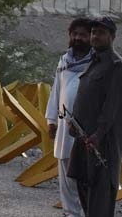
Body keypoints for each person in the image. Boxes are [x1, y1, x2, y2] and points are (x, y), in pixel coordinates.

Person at [68, 16, 122, 217]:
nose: (95, 36)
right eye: (93, 32)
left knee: (100, 198)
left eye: (100, 32)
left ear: (112, 36)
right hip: (83, 140)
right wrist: (74, 122)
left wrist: (98, 135)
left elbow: (112, 107)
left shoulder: (116, 66)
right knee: (84, 192)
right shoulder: (93, 62)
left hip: (102, 144)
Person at [45, 17, 93, 217]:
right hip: (65, 127)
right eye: (75, 34)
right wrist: (51, 120)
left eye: (83, 34)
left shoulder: (96, 61)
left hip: (87, 128)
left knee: (83, 174)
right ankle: (70, 212)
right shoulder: (64, 61)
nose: (78, 38)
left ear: (90, 37)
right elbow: (56, 90)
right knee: (65, 171)